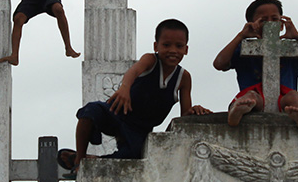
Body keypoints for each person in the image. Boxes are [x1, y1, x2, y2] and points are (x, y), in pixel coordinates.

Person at [59, 19, 211, 172]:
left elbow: (184, 117)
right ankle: (79, 160)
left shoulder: (183, 78)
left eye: (179, 46)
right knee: (90, 111)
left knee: (135, 156)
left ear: (186, 49)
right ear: (155, 46)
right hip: (118, 112)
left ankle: (93, 162)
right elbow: (133, 71)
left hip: (139, 129)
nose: (173, 50)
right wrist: (124, 88)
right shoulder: (150, 60)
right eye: (166, 45)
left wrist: (194, 111)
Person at [213, 0, 298, 133]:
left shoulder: (290, 48)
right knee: (251, 96)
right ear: (252, 24)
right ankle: (236, 111)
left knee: (294, 96)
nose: (270, 23)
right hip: (256, 101)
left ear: (282, 23)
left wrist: (297, 36)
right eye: (263, 20)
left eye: (275, 19)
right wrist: (241, 36)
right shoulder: (245, 48)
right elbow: (219, 64)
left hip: (284, 102)